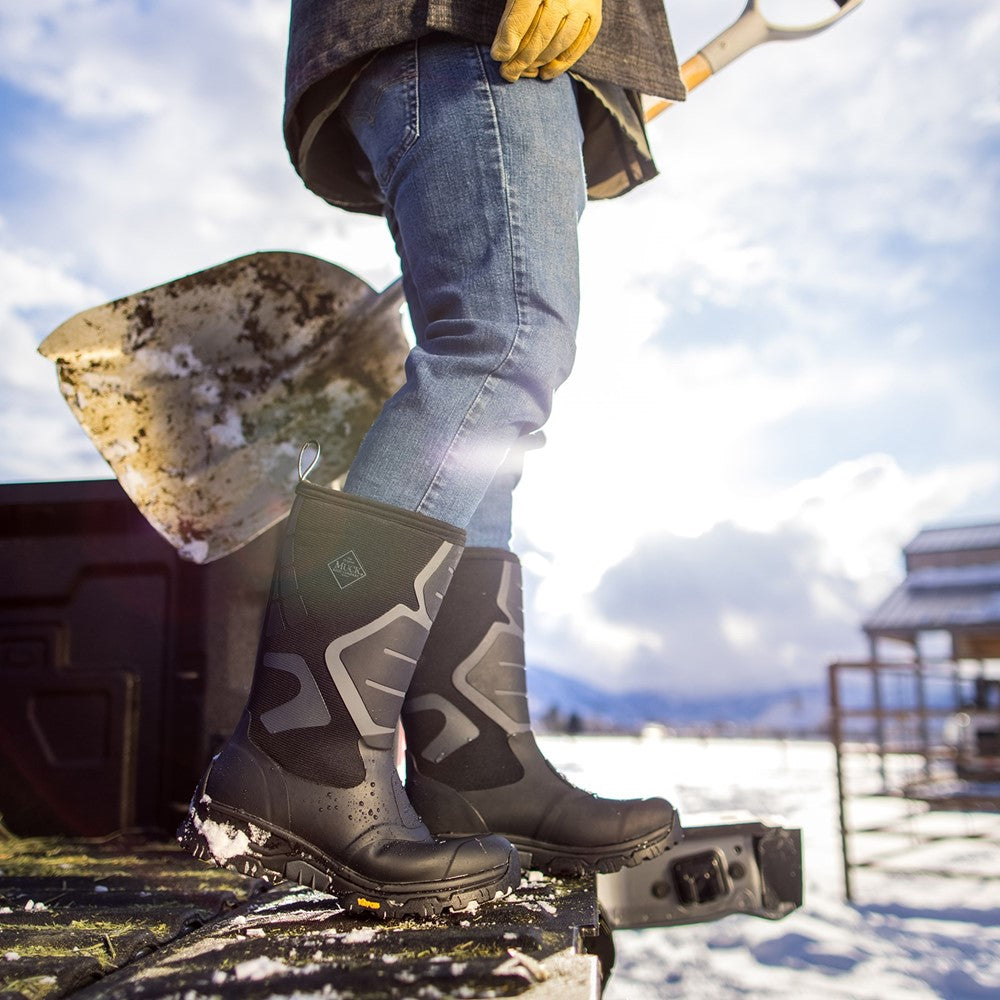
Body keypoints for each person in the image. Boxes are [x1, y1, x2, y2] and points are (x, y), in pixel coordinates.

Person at [179, 0, 687, 918]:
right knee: (501, 346)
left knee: (489, 419)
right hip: (470, 27)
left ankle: (478, 769)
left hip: (503, 48)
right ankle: (304, 756)